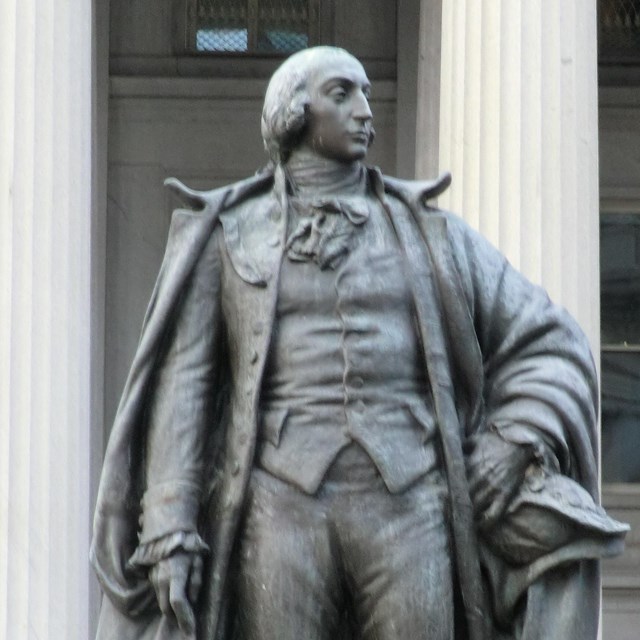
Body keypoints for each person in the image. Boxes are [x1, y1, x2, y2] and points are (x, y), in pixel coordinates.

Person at [91, 46, 627, 640]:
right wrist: (169, 526)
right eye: (343, 94)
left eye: (367, 93)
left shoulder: (434, 237)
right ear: (295, 114)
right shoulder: (228, 235)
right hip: (278, 510)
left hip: (412, 505)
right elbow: (186, 386)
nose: (366, 110)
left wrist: (515, 438)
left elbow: (549, 338)